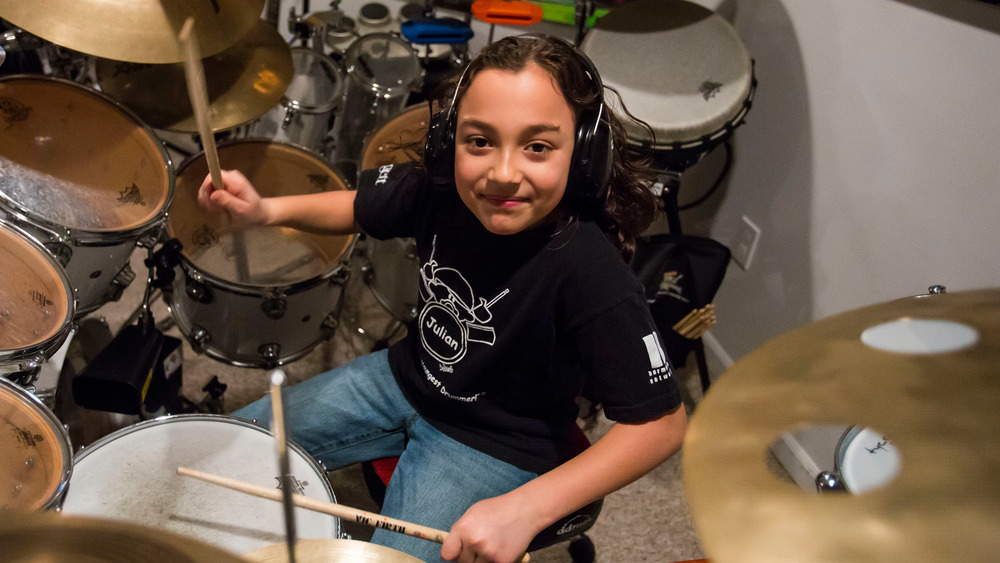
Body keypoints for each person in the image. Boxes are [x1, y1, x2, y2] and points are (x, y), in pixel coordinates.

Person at [199, 34, 687, 563]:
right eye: (479, 141)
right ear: (448, 141)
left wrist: (527, 508)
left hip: (494, 441)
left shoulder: (592, 272)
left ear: (584, 155)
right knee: (220, 451)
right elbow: (360, 206)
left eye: (538, 147)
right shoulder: (440, 190)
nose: (502, 173)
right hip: (403, 378)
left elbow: (660, 426)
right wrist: (266, 211)